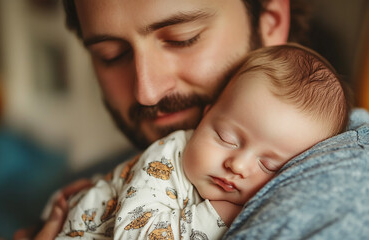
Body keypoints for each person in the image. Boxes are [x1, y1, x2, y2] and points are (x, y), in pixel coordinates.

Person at [15, 0, 369, 239]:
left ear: (270, 20)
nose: (146, 91)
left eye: (183, 37)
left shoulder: (361, 187)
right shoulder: (136, 161)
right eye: (110, 56)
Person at [55, 44, 351, 239]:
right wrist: (217, 214)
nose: (237, 165)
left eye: (270, 166)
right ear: (205, 118)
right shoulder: (167, 157)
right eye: (226, 138)